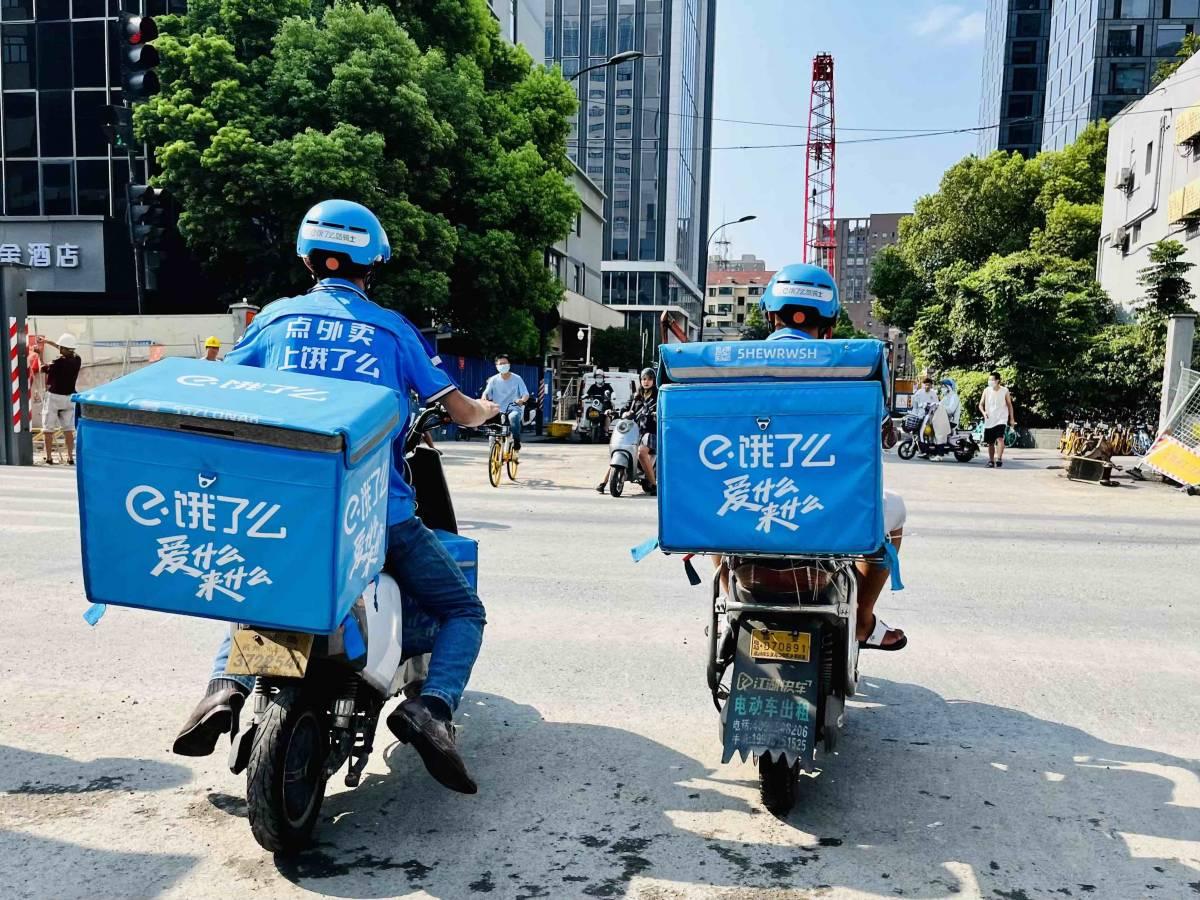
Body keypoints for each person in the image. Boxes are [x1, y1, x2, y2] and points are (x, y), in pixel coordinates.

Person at [171, 199, 499, 795]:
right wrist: (489, 409)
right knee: (463, 610)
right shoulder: (392, 329)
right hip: (377, 513)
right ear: (370, 264)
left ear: (307, 259)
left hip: (285, 507)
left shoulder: (271, 321)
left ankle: (225, 687)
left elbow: (215, 388)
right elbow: (460, 410)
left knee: (260, 576)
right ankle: (432, 709)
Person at [713, 263, 907, 651]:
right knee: (896, 510)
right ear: (829, 323)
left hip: (750, 509)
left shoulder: (725, 364)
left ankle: (727, 604)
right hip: (824, 514)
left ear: (771, 315)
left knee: (718, 505)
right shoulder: (857, 366)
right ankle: (863, 621)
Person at [596, 368, 658, 494]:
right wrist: (614, 412)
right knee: (621, 449)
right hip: (636, 430)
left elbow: (662, 408)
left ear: (654, 380)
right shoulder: (637, 396)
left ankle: (653, 484)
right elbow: (627, 408)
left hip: (650, 432)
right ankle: (604, 482)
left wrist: (656, 413)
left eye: (649, 379)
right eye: (644, 379)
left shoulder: (658, 396)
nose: (646, 382)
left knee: (641, 452)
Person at [38, 333, 81, 465]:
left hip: (54, 397)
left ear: (63, 349)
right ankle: (70, 457)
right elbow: (63, 348)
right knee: (68, 429)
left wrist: (39, 354)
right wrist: (48, 341)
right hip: (69, 398)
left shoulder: (57, 363)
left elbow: (42, 368)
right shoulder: (77, 359)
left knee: (48, 429)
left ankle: (49, 457)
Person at [482, 355, 529, 451]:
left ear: (509, 365)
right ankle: (493, 452)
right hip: (497, 409)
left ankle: (516, 440)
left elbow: (525, 394)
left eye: (505, 363)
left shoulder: (517, 378)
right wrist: (484, 399)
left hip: (513, 408)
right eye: (500, 364)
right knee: (492, 430)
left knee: (513, 417)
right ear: (496, 366)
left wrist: (522, 400)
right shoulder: (493, 380)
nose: (503, 365)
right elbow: (486, 393)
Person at [978, 370, 1015, 469]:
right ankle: (991, 461)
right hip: (989, 419)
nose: (990, 381)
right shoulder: (986, 390)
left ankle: (999, 459)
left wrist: (1011, 419)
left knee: (1000, 438)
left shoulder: (1005, 391)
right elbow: (980, 405)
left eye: (992, 380)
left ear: (998, 381)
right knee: (990, 442)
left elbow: (1009, 405)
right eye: (989, 380)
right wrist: (984, 412)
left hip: (1001, 419)